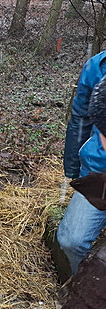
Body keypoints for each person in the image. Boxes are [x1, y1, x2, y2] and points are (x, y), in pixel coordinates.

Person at [58, 51, 106, 274]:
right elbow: (80, 118)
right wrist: (74, 170)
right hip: (99, 171)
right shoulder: (97, 66)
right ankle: (86, 287)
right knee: (71, 240)